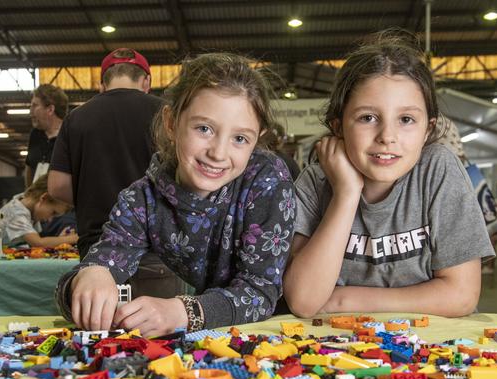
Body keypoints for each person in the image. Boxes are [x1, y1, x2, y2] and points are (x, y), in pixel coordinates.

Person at [55, 52, 295, 335]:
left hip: (281, 328)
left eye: (240, 139)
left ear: (258, 137)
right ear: (171, 123)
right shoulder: (142, 200)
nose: (218, 153)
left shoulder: (267, 180)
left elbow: (261, 292)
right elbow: (100, 261)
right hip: (219, 336)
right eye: (204, 129)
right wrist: (91, 275)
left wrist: (182, 311)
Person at [283, 29, 494, 319]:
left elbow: (461, 296)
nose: (387, 136)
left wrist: (344, 301)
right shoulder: (314, 183)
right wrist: (345, 194)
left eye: (406, 119)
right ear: (338, 126)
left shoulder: (437, 170)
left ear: (427, 130)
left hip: (434, 347)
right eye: (367, 118)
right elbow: (304, 301)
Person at [48, 47, 163, 258]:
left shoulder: (76, 118)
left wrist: (92, 198)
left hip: (98, 242)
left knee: (99, 291)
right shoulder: (167, 114)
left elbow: (57, 187)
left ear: (102, 84)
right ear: (146, 81)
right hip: (156, 243)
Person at [0, 175, 77, 250]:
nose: (50, 219)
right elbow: (38, 243)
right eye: (53, 212)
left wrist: (62, 239)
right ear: (43, 198)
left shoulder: (26, 204)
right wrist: (73, 238)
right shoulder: (17, 212)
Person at [25, 84, 69, 187]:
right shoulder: (35, 135)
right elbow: (29, 167)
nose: (30, 111)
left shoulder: (69, 136)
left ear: (50, 109)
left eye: (35, 105)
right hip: (37, 200)